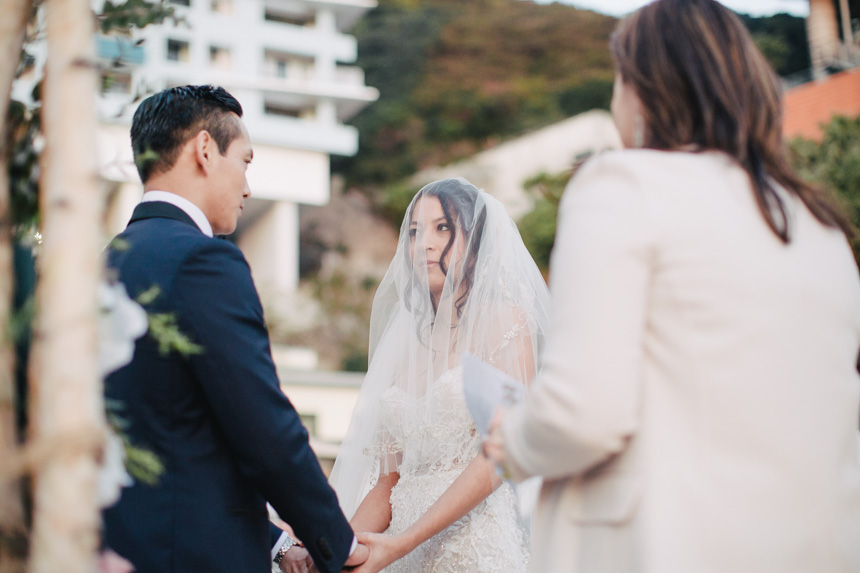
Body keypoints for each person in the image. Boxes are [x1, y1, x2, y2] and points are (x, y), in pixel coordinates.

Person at [482, 1, 860, 572]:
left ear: (640, 88)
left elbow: (582, 412)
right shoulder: (820, 224)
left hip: (664, 546)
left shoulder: (622, 184)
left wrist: (512, 441)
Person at [102, 85, 367, 573]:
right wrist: (339, 546)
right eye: (245, 162)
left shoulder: (102, 265)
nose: (247, 188)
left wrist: (277, 543)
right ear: (205, 150)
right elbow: (262, 427)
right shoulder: (203, 260)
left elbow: (175, 429)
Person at [328, 178, 550, 572]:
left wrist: (403, 541)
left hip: (471, 549)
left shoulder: (507, 325)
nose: (423, 243)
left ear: (478, 241)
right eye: (415, 231)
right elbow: (387, 482)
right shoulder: (403, 346)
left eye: (442, 227)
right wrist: (343, 553)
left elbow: (499, 460)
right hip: (398, 552)